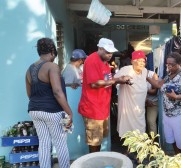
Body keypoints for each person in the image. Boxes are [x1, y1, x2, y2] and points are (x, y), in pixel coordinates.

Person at [78, 38, 131, 153]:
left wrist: (120, 79)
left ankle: (97, 160)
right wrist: (117, 80)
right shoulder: (92, 60)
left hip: (102, 107)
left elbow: (107, 79)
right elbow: (95, 83)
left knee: (99, 140)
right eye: (107, 52)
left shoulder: (105, 62)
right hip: (92, 108)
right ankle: (94, 162)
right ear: (100, 49)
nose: (110, 55)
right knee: (94, 142)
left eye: (111, 52)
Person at [25, 37, 72, 168]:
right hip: (52, 112)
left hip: (34, 111)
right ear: (52, 51)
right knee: (60, 143)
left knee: (44, 143)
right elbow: (57, 92)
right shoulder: (52, 67)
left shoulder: (29, 69)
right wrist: (69, 112)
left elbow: (30, 94)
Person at [147, 52, 181, 154]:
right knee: (173, 140)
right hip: (169, 115)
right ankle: (178, 161)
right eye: (167, 64)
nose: (169, 66)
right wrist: (145, 76)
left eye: (171, 64)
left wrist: (177, 96)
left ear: (179, 63)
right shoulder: (169, 75)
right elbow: (158, 84)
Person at [114, 50, 148, 138]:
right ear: (132, 61)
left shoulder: (144, 71)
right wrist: (122, 80)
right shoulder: (125, 70)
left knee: (140, 130)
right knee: (127, 130)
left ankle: (138, 150)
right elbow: (113, 81)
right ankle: (128, 150)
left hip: (139, 108)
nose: (141, 63)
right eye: (139, 61)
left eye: (143, 61)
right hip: (128, 108)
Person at [146, 70, 159, 135]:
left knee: (150, 121)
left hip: (152, 102)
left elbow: (155, 91)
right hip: (138, 101)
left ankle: (153, 142)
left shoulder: (152, 75)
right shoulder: (133, 74)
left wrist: (142, 90)